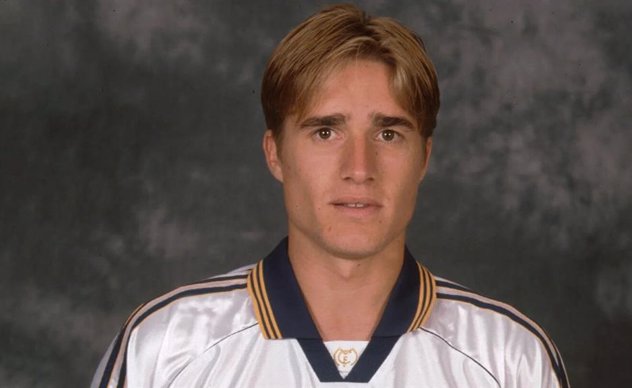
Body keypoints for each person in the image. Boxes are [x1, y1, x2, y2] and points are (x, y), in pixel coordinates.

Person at [92, 4, 569, 387]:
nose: (359, 169)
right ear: (275, 154)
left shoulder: (508, 360)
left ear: (424, 159)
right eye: (325, 133)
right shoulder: (166, 348)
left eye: (388, 135)